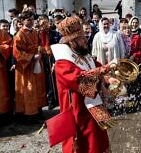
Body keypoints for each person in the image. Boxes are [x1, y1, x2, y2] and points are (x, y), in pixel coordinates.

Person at [51, 16, 119, 153]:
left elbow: (94, 67)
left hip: (94, 110)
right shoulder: (62, 63)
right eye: (81, 38)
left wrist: (107, 79)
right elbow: (81, 81)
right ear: (72, 41)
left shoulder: (83, 55)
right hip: (78, 115)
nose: (85, 41)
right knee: (87, 147)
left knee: (100, 143)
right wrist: (106, 68)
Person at [13, 11, 47, 123]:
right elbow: (17, 53)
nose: (31, 21)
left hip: (37, 62)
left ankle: (38, 110)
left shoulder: (35, 32)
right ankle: (28, 114)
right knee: (29, 88)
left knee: (38, 87)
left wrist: (41, 50)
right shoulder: (19, 35)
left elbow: (40, 44)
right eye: (29, 20)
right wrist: (32, 57)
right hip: (26, 66)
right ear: (22, 21)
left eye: (32, 19)